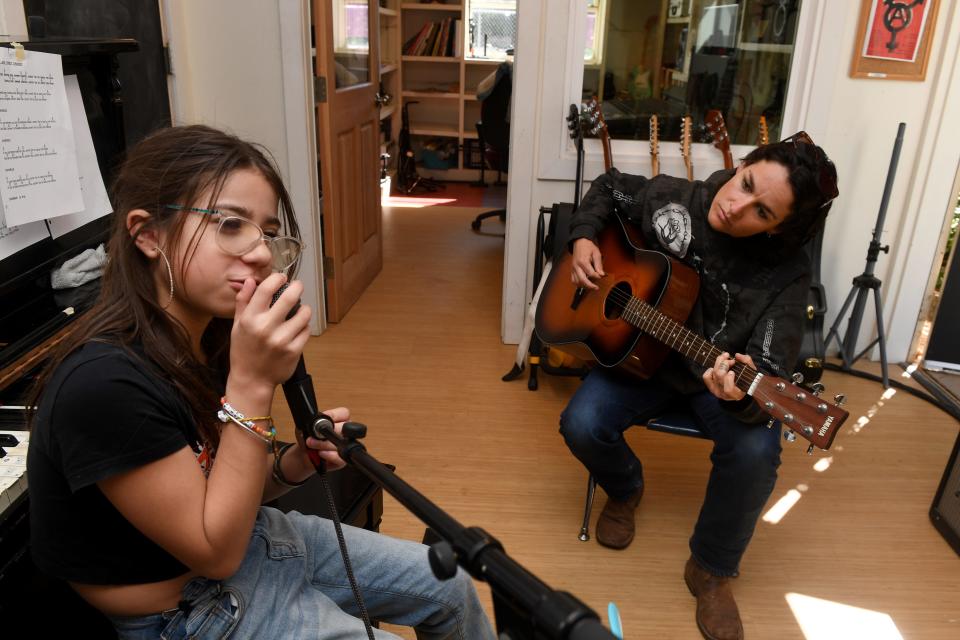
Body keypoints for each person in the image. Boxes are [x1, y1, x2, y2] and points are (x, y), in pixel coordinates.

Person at [27, 125, 496, 640]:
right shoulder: (103, 385)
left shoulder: (207, 338)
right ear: (148, 234)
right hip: (188, 608)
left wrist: (294, 464)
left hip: (257, 542)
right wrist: (251, 382)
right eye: (230, 224)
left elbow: (220, 488)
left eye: (268, 233)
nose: (259, 253)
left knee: (450, 586)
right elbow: (215, 552)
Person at [559, 132, 838, 640]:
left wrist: (741, 393)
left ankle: (711, 568)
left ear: (778, 230)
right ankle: (624, 488)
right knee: (579, 423)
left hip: (715, 385)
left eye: (762, 212)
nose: (737, 206)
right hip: (639, 361)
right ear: (742, 165)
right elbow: (607, 187)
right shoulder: (675, 198)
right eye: (746, 183)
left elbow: (770, 368)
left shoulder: (787, 275)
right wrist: (582, 237)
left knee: (756, 452)